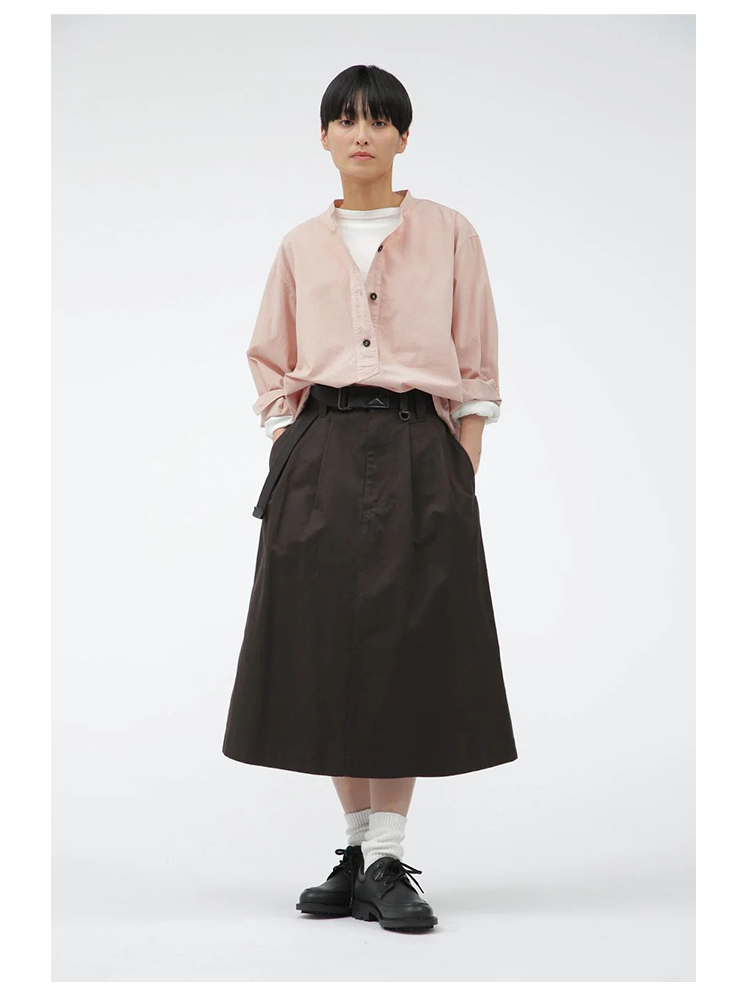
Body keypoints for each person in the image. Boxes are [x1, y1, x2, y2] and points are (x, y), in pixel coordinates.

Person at [222, 64, 518, 933]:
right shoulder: (298, 245)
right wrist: (292, 448)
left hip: (421, 445)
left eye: (379, 120)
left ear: (403, 137)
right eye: (346, 120)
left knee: (404, 646)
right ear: (322, 137)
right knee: (326, 648)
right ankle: (360, 854)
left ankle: (387, 857)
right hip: (321, 446)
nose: (362, 134)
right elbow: (271, 360)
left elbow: (476, 363)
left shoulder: (452, 233)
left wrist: (461, 464)